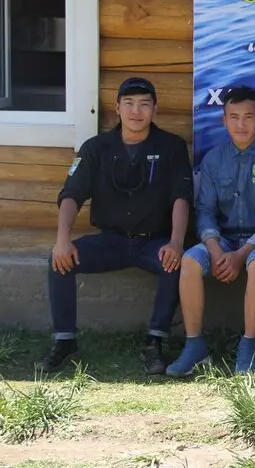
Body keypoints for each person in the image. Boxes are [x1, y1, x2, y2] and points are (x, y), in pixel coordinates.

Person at [39, 77, 193, 375]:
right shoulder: (96, 148)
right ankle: (65, 340)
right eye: (130, 104)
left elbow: (181, 197)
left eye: (144, 105)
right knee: (58, 260)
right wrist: (62, 239)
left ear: (155, 109)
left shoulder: (172, 147)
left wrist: (176, 241)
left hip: (154, 241)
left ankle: (155, 341)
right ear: (117, 108)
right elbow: (71, 195)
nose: (137, 111)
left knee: (176, 262)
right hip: (111, 241)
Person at [165, 87, 255, 377]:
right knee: (191, 261)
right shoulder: (212, 159)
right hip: (222, 240)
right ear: (224, 121)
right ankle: (194, 346)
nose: (241, 124)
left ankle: (249, 345)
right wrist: (217, 249)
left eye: (248, 117)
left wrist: (241, 254)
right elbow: (204, 210)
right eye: (233, 117)